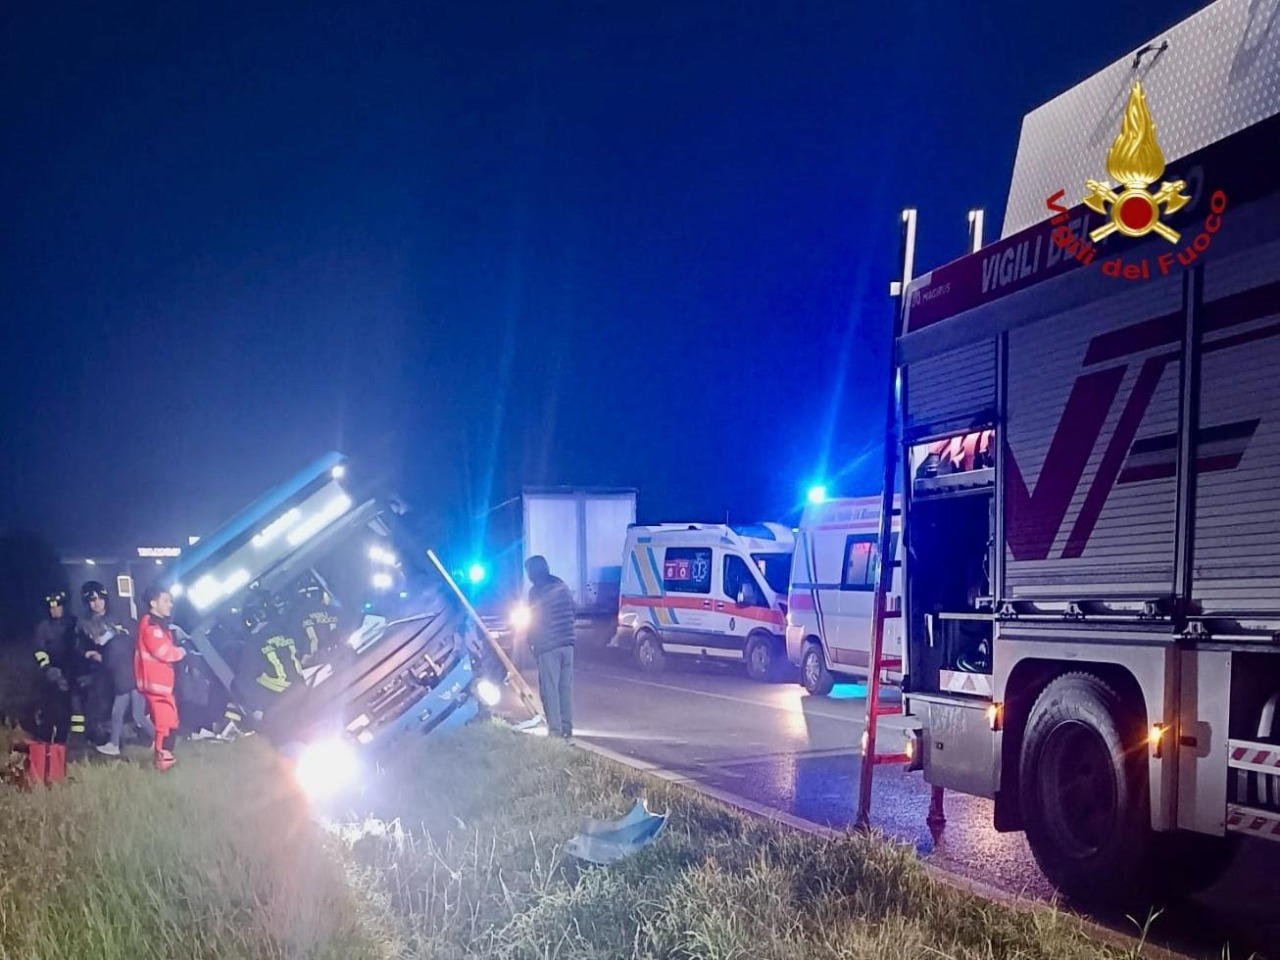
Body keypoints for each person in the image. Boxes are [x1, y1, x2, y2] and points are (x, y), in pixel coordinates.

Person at [79, 581, 156, 757]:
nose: (97, 603)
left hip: (132, 671)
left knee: (137, 715)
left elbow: (134, 635)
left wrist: (115, 633)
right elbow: (93, 643)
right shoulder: (87, 623)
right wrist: (90, 653)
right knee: (119, 711)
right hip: (118, 672)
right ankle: (114, 744)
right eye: (92, 600)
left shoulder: (120, 616)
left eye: (99, 598)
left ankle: (159, 740)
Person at [28, 590, 90, 784]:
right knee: (50, 715)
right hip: (51, 679)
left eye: (58, 607)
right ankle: (47, 754)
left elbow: (80, 647)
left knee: (74, 713)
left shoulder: (73, 623)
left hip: (72, 676)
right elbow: (39, 651)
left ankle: (72, 750)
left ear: (64, 606)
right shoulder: (43, 627)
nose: (54, 610)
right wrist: (48, 669)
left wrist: (82, 671)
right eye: (51, 608)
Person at [135, 586, 186, 770]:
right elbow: (163, 652)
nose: (170, 604)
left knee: (168, 722)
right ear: (153, 603)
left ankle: (164, 758)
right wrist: (181, 651)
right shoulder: (152, 627)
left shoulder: (156, 625)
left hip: (160, 684)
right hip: (156, 684)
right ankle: (163, 760)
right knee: (165, 724)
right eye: (166, 601)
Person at [525, 555, 576, 740]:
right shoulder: (561, 585)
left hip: (549, 646)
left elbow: (534, 621)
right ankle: (567, 728)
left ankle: (555, 732)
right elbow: (573, 611)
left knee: (550, 690)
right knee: (565, 688)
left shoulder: (536, 591)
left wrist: (531, 643)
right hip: (568, 643)